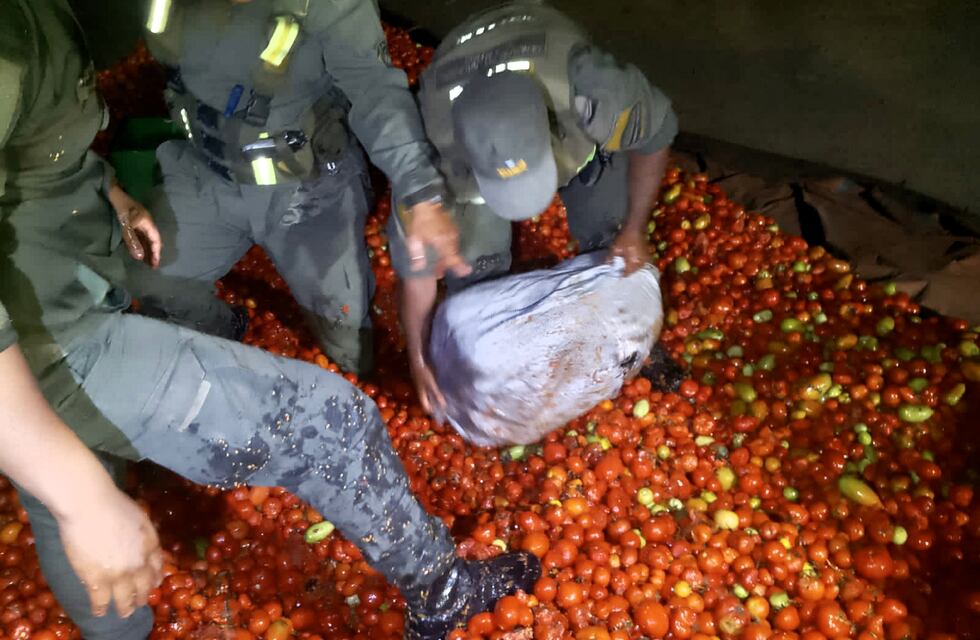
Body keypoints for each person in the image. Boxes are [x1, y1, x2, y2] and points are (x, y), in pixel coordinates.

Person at [0, 2, 537, 639]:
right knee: (331, 421)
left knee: (343, 328)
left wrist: (102, 188)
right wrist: (79, 493)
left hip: (285, 187)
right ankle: (443, 592)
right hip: (53, 332)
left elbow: (373, 84)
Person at [126, 0, 471, 375]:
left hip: (310, 190)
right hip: (208, 172)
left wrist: (420, 192)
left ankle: (354, 358)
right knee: (150, 277)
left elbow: (375, 91)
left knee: (348, 342)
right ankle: (225, 331)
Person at [387, 1, 679, 414]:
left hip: (544, 49)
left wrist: (634, 228)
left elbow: (656, 135)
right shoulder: (427, 151)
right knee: (471, 269)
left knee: (611, 233)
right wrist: (417, 358)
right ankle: (500, 365)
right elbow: (416, 272)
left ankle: (629, 341)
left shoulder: (592, 92)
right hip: (462, 94)